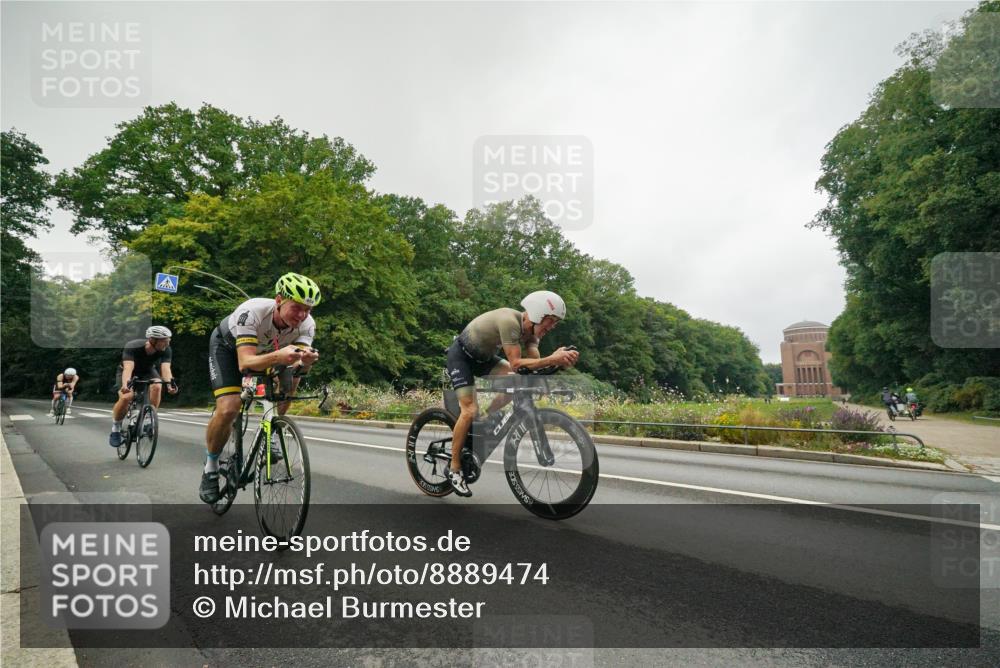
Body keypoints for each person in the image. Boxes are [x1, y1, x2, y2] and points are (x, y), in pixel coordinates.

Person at [199, 273, 321, 504]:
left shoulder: (307, 325)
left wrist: (303, 364)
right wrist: (280, 356)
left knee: (288, 388)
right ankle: (211, 467)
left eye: (308, 309)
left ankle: (270, 431)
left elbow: (296, 367)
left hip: (271, 352)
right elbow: (245, 363)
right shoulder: (252, 312)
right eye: (297, 308)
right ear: (278, 300)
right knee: (228, 408)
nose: (302, 315)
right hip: (228, 349)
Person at [443, 291, 579, 497]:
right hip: (461, 357)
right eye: (550, 321)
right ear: (536, 315)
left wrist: (554, 368)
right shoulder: (509, 321)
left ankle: (486, 419)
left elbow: (532, 368)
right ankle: (454, 468)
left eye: (555, 324)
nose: (551, 327)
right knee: (469, 410)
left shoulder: (533, 334)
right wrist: (553, 359)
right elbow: (516, 363)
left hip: (484, 359)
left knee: (518, 381)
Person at [109, 326, 178, 447]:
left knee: (157, 385)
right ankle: (116, 428)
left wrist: (170, 384)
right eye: (164, 340)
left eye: (168, 340)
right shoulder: (133, 346)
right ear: (152, 340)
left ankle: (150, 418)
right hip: (128, 372)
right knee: (126, 397)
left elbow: (166, 369)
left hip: (147, 371)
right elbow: (128, 368)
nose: (167, 343)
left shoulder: (166, 349)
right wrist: (126, 385)